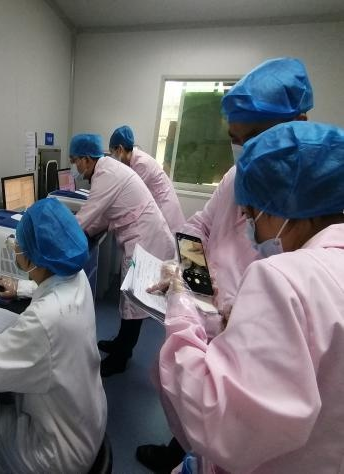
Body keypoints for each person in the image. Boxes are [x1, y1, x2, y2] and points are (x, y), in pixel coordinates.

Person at [136, 57, 314, 472]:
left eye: (254, 137)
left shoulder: (312, 204)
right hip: (203, 310)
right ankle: (180, 450)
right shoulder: (238, 176)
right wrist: (190, 276)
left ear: (299, 123)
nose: (245, 151)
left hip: (247, 339)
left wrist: (223, 308)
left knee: (227, 428)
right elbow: (200, 225)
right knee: (191, 413)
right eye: (236, 140)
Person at [158, 121, 344, 473]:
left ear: (282, 209)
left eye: (250, 215)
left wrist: (182, 303)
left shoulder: (284, 279)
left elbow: (216, 420)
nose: (249, 229)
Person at [0, 198, 107, 474]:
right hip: (87, 421)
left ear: (32, 257)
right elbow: (54, 287)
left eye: (18, 243)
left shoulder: (44, 320)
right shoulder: (75, 277)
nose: (16, 248)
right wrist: (21, 288)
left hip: (58, 454)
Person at [70, 133, 176, 377]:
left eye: (75, 161)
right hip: (144, 234)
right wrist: (87, 230)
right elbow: (104, 214)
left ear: (86, 159)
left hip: (146, 239)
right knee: (130, 298)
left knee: (134, 301)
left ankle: (121, 358)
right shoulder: (107, 169)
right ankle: (121, 343)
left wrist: (59, 235)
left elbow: (88, 214)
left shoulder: (106, 174)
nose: (75, 167)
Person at [109, 125, 186, 232]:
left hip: (164, 207)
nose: (112, 156)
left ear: (120, 149)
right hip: (160, 205)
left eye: (113, 152)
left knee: (168, 238)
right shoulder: (133, 161)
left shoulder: (141, 164)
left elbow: (131, 195)